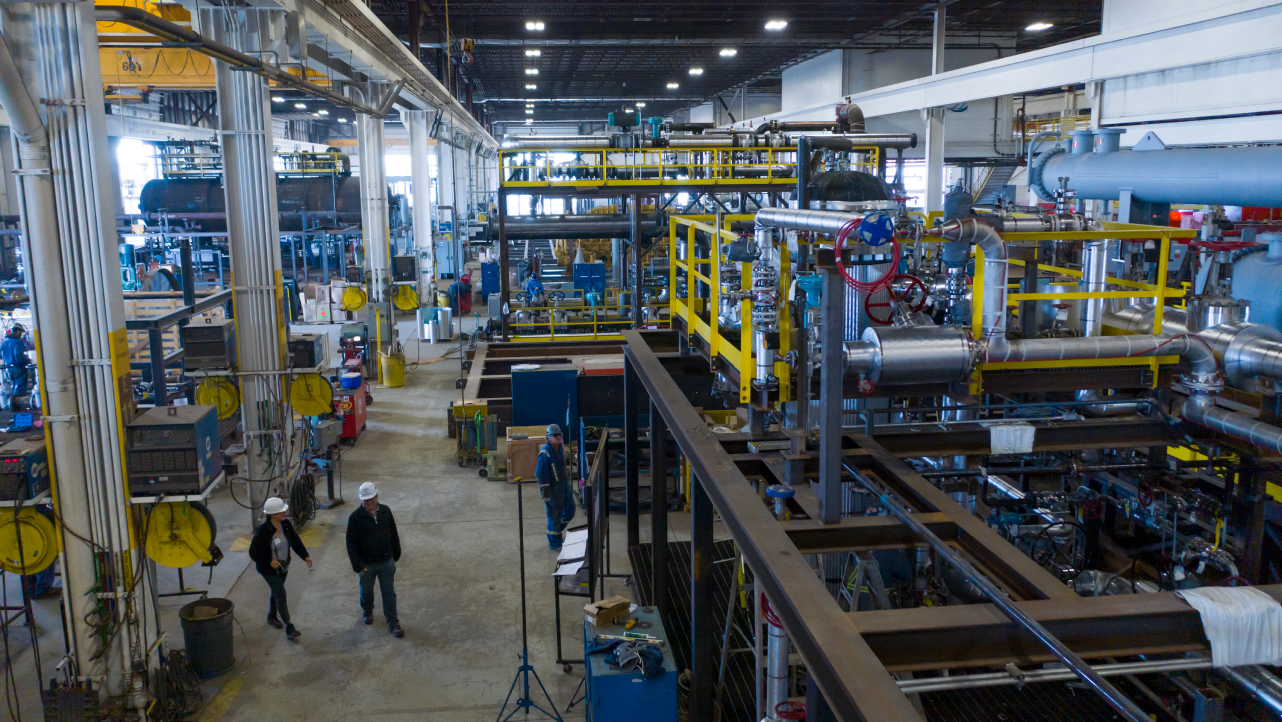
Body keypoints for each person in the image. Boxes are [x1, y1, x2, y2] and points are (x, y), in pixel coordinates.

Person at [248, 497, 312, 640]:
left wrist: (305, 556)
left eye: (284, 509)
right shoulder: (263, 531)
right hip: (268, 570)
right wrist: (268, 561)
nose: (284, 512)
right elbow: (253, 552)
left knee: (276, 591)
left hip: (283, 567)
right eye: (280, 511)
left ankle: (271, 616)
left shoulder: (286, 525)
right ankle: (289, 627)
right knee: (281, 593)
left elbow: (295, 541)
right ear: (271, 514)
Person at [346, 482, 403, 638]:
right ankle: (367, 610)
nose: (369, 502)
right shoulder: (355, 518)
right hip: (367, 565)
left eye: (371, 498)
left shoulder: (385, 511)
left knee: (389, 593)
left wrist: (395, 554)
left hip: (386, 562)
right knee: (366, 590)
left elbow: (393, 533)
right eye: (366, 500)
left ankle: (393, 622)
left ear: (377, 496)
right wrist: (358, 565)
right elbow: (351, 544)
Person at [535, 424, 575, 550]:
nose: (558, 437)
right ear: (548, 437)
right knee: (554, 515)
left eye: (559, 435)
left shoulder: (560, 449)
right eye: (554, 435)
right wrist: (545, 494)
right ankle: (554, 543)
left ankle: (556, 531)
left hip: (564, 487)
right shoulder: (545, 454)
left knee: (570, 510)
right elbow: (541, 475)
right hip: (553, 491)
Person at [1, 323, 30, 411]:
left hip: (9, 369)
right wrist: (27, 360)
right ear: (18, 331)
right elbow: (18, 355)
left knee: (14, 387)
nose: (21, 334)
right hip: (18, 368)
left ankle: (13, 407)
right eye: (21, 332)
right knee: (20, 388)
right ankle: (19, 407)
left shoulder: (5, 341)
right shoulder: (18, 341)